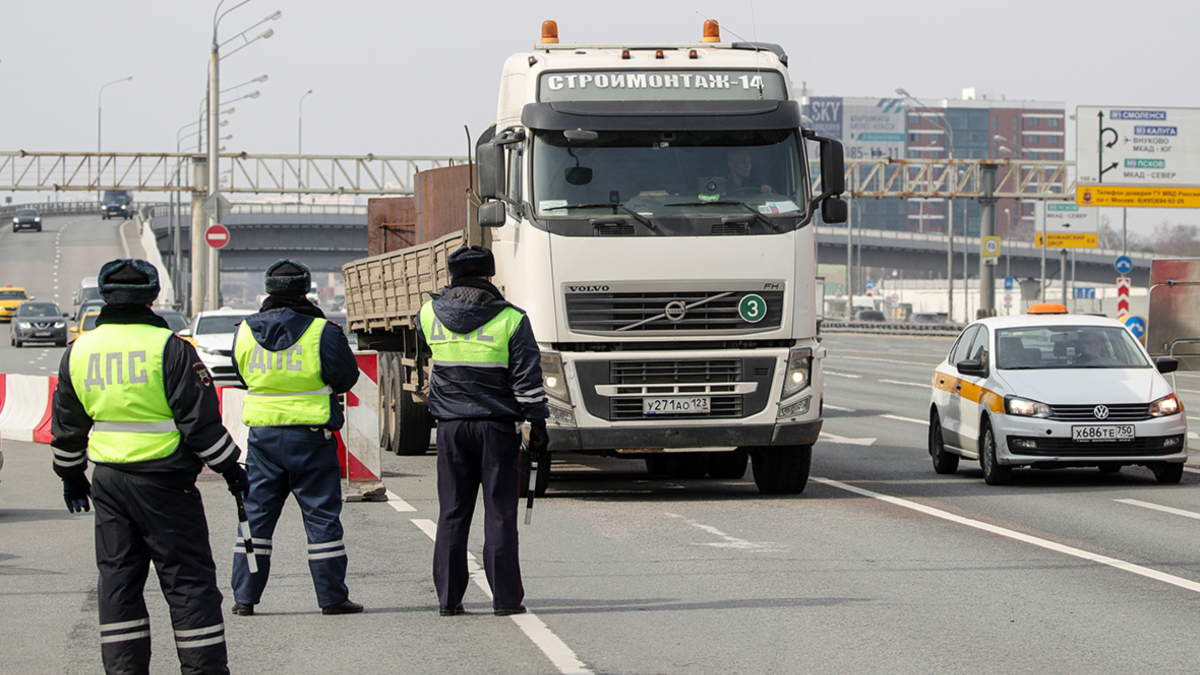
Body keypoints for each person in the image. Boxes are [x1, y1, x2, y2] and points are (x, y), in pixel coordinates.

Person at [51, 258, 246, 675]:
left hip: (108, 484)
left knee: (118, 583)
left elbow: (67, 428)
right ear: (153, 296)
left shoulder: (78, 351)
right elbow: (200, 423)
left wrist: (71, 477)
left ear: (105, 297)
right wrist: (231, 468)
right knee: (189, 584)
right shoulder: (172, 348)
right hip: (166, 485)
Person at [415, 245, 549, 616]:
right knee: (500, 512)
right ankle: (505, 600)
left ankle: (448, 600)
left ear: (452, 275)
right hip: (497, 428)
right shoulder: (511, 319)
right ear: (490, 277)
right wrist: (537, 423)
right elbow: (527, 379)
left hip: (451, 428)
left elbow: (427, 349)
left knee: (452, 513)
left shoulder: (428, 314)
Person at [229, 259, 362, 616]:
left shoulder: (243, 331)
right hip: (311, 440)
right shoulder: (323, 332)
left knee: (255, 520)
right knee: (321, 520)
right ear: (306, 289)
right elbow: (347, 378)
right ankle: (332, 598)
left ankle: (244, 598)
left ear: (268, 289)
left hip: (263, 440)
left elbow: (243, 376)